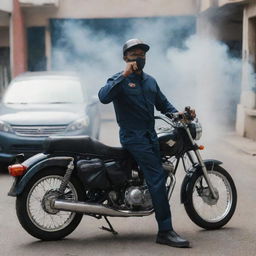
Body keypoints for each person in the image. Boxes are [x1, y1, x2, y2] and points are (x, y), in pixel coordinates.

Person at [98, 38, 190, 248]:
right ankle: (165, 231)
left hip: (149, 136)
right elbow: (103, 97)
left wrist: (181, 114)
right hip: (133, 136)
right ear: (125, 58)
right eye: (134, 54)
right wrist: (124, 75)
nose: (139, 57)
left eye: (143, 54)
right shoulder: (119, 79)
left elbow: (164, 105)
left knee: (156, 175)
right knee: (157, 177)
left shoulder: (150, 81)